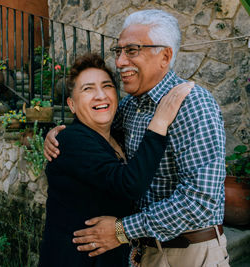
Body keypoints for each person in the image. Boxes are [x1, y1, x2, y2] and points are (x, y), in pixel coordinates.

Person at [44, 10, 228, 267]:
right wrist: (56, 133)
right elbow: (93, 129)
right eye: (118, 51)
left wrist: (122, 230)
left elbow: (200, 201)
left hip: (188, 253)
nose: (119, 62)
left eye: (131, 50)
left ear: (165, 56)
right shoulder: (131, 106)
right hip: (143, 253)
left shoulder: (192, 104)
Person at [39, 53, 193, 267]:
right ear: (71, 105)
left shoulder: (118, 138)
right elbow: (129, 184)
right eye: (88, 89)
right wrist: (160, 121)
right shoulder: (70, 141)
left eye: (107, 86)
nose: (100, 95)